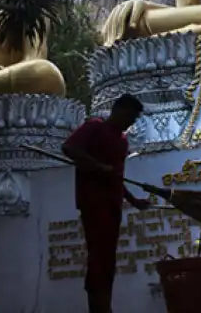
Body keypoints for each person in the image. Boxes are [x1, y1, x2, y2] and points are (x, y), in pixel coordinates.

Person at [62, 94, 151, 313]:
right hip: (93, 202)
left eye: (135, 119)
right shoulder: (94, 127)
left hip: (113, 206)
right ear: (118, 110)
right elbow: (69, 148)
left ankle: (105, 306)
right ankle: (98, 307)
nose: (131, 122)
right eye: (130, 116)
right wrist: (98, 166)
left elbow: (117, 179)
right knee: (99, 258)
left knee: (108, 260)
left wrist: (133, 200)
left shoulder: (122, 141)